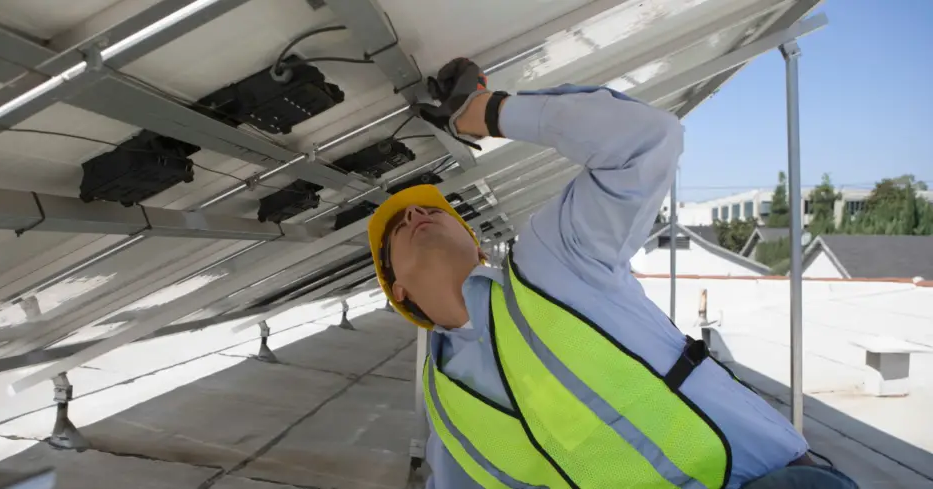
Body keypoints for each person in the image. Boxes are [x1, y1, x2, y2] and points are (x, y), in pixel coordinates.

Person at [367, 58, 858, 489]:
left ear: (474, 243)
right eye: (395, 230)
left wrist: (482, 112)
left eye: (433, 210)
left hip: (767, 479)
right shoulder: (445, 406)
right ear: (399, 292)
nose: (414, 216)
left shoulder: (551, 262)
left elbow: (645, 142)